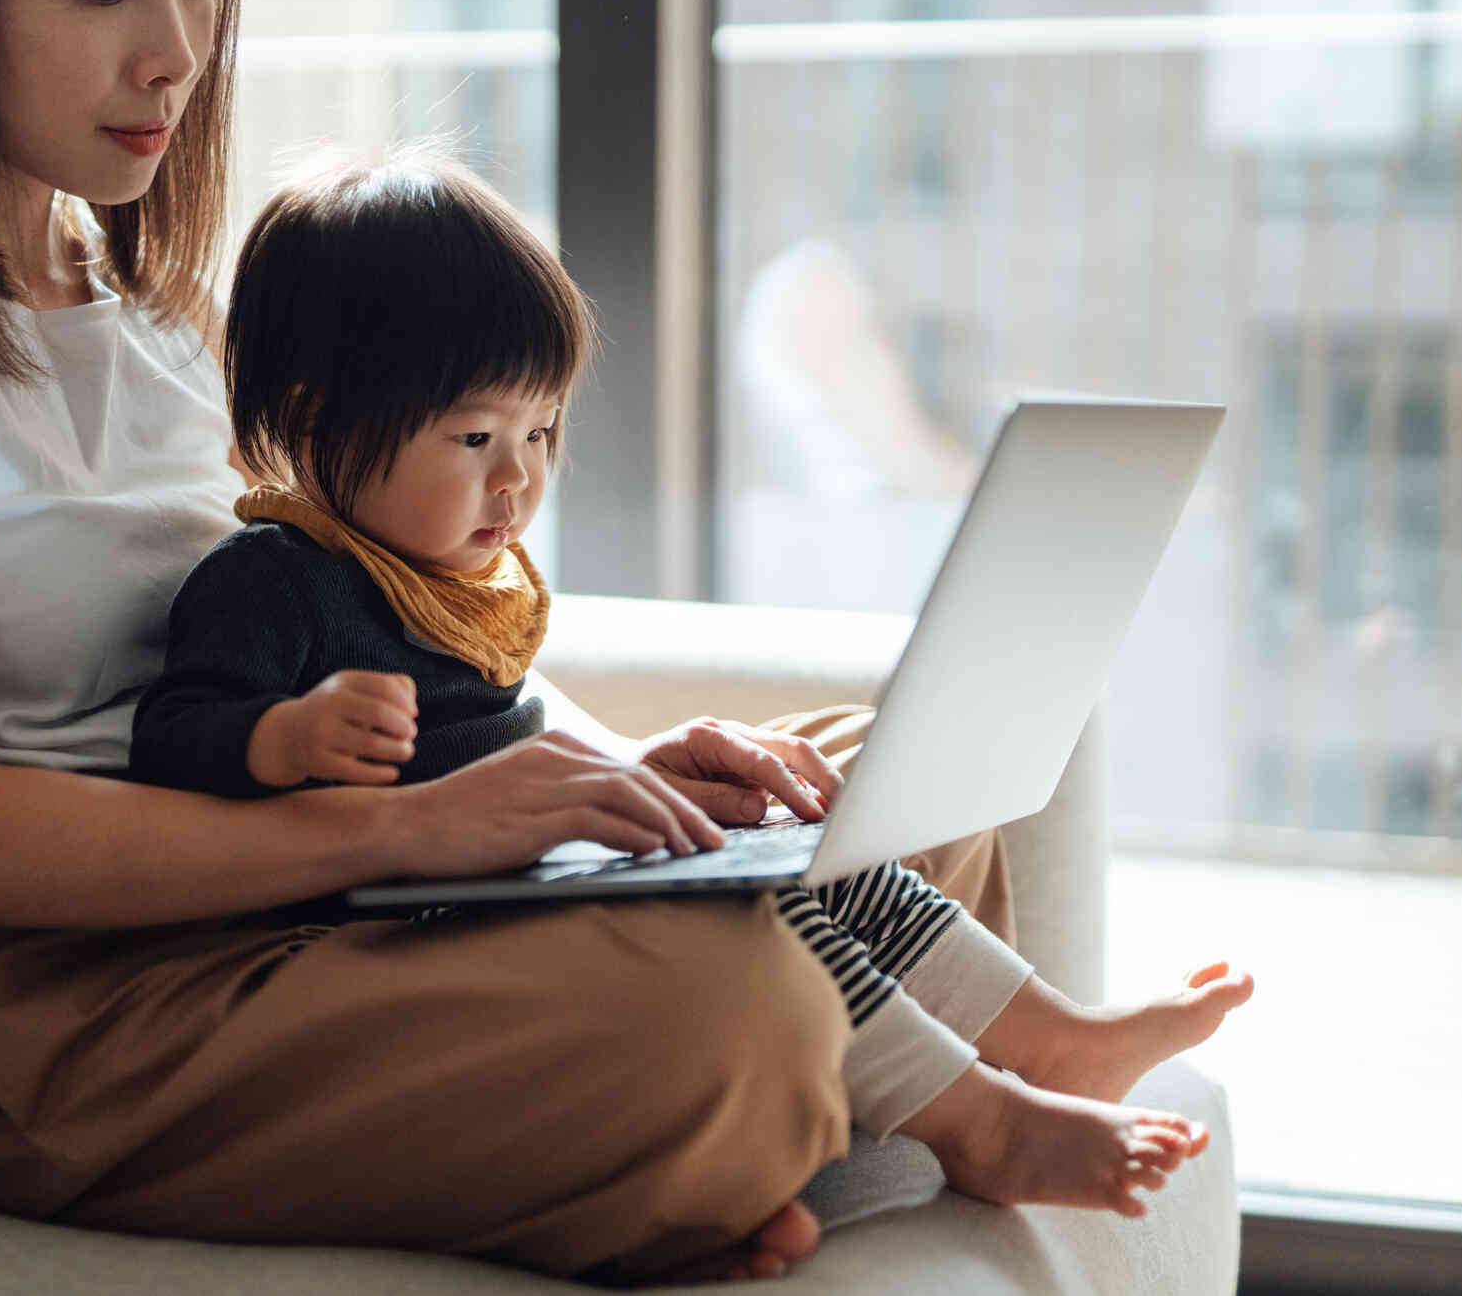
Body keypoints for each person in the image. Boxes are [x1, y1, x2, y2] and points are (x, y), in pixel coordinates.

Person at [0, 0, 1252, 1284]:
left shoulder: (149, 302)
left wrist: (615, 777)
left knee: (874, 807)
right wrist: (415, 822)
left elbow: (372, 607)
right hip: (43, 1014)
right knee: (744, 1006)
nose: (174, 50)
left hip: (303, 905)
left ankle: (703, 1143)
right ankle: (727, 1129)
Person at [127, 145, 1255, 1198]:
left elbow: (516, 745)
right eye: (475, 440)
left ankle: (1056, 1035)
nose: (518, 483)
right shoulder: (273, 578)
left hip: (514, 875)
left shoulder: (454, 573)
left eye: (543, 431)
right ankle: (984, 1125)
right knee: (761, 913)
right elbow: (171, 741)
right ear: (313, 421)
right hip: (404, 931)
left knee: (817, 856)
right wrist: (282, 741)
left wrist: (628, 775)